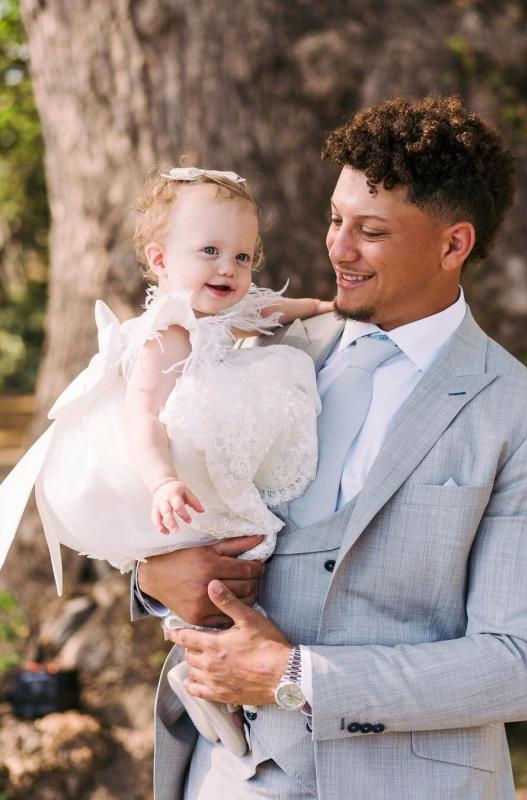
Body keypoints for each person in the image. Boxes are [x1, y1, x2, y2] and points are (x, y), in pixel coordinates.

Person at [134, 96, 527, 800]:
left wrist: (296, 678)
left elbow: (521, 665)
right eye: (335, 219)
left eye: (370, 231)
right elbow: (163, 488)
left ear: (452, 245)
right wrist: (155, 580)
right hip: (224, 772)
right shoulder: (259, 344)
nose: (337, 248)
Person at [0, 165, 335, 752]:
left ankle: (211, 678)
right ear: (159, 261)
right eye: (209, 250)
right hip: (169, 476)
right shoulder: (163, 334)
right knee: (215, 583)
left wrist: (330, 307)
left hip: (210, 469)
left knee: (247, 555)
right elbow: (143, 419)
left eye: (243, 256)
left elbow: (276, 311)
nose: (228, 268)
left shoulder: (229, 313)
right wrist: (161, 483)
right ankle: (206, 685)